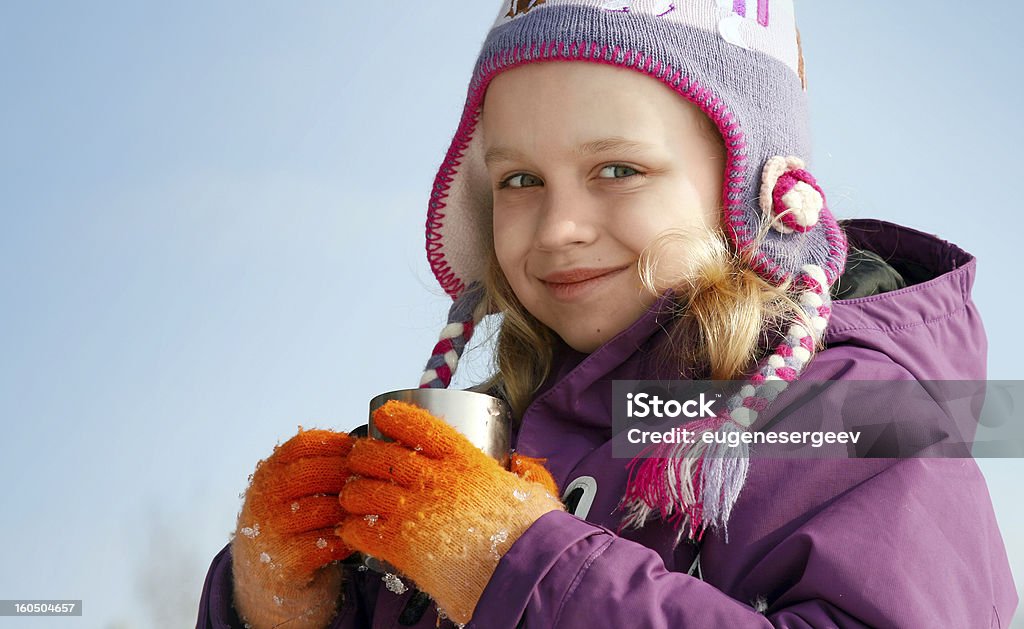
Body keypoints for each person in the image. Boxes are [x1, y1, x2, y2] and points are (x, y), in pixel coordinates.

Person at [198, 1, 1018, 627]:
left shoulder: (866, 415)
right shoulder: (509, 424)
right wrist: (283, 599)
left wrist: (521, 571)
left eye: (618, 168)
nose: (558, 229)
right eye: (519, 180)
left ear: (750, 185)